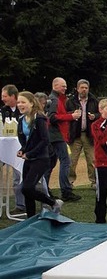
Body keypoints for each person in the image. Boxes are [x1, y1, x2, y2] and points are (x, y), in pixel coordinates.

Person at [15, 91, 64, 217]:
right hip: (29, 158)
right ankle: (30, 218)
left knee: (27, 188)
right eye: (18, 102)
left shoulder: (39, 118)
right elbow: (27, 140)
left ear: (31, 103)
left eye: (23, 102)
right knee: (26, 191)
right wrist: (23, 150)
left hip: (41, 158)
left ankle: (52, 202)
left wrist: (30, 154)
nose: (20, 105)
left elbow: (44, 140)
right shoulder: (21, 120)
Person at [46, 77, 82, 202]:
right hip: (56, 135)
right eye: (63, 86)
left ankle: (46, 190)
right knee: (65, 161)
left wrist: (70, 115)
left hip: (54, 135)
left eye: (65, 86)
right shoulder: (54, 100)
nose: (65, 88)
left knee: (50, 163)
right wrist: (71, 116)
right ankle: (66, 191)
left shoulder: (56, 99)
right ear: (55, 86)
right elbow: (52, 118)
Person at [66, 79, 99, 188]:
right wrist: (72, 114)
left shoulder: (94, 100)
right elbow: (65, 115)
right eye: (82, 87)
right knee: (72, 160)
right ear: (77, 88)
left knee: (92, 160)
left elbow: (100, 113)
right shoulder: (71, 101)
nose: (84, 90)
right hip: (75, 134)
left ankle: (94, 181)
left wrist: (95, 116)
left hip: (89, 135)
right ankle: (70, 181)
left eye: (86, 88)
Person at [2, 84, 26, 215]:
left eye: (5, 96)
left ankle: (21, 204)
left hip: (20, 147)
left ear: (13, 96)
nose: (3, 99)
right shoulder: (3, 110)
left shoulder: (22, 109)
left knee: (19, 175)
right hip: (5, 145)